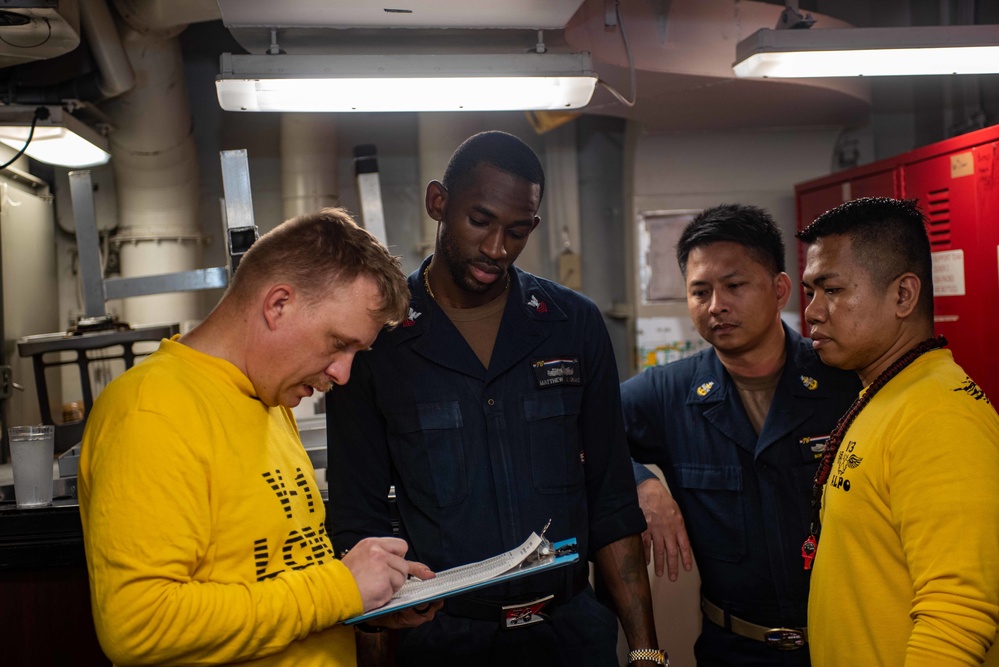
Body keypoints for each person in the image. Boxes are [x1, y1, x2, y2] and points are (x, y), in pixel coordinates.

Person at [326, 130, 663, 666]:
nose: (496, 248)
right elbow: (357, 523)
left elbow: (612, 503)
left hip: (571, 637)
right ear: (439, 202)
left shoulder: (572, 325)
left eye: (517, 230)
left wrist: (647, 652)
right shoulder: (380, 341)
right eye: (479, 221)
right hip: (445, 643)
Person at [79, 208, 440, 667]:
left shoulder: (268, 398)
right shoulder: (149, 411)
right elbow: (138, 625)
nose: (343, 374)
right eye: (337, 343)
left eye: (356, 352)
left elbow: (279, 582)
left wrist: (367, 604)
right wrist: (338, 589)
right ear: (278, 305)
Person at [622, 204, 861, 665]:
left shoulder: (843, 380)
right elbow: (574, 435)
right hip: (732, 650)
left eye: (734, 286)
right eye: (700, 291)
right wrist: (641, 483)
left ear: (779, 289)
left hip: (846, 644)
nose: (716, 306)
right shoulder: (667, 393)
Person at [797, 196, 999, 666]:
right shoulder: (888, 391)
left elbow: (959, 613)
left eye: (831, 289)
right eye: (810, 291)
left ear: (904, 296)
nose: (811, 311)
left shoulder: (938, 417)